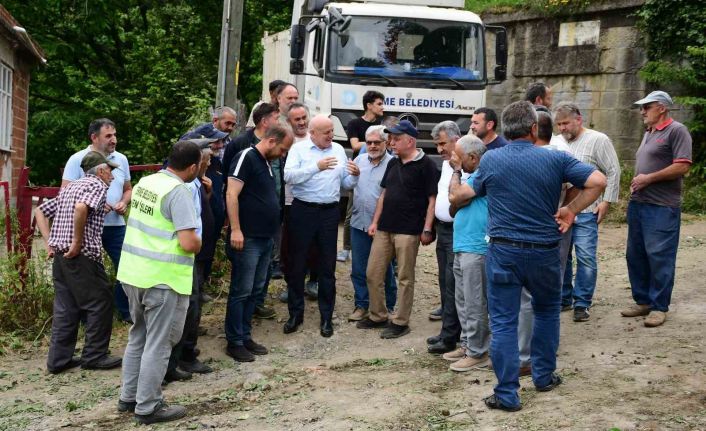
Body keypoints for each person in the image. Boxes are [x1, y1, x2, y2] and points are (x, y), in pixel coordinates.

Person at [464, 101, 606, 412]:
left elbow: (474, 191)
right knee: (546, 313)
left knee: (503, 322)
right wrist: (571, 210)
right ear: (533, 129)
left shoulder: (492, 159)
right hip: (544, 252)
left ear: (505, 130)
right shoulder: (556, 158)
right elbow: (598, 181)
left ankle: (507, 394)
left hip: (503, 251)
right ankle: (543, 377)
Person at [117, 141, 202, 425]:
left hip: (133, 274)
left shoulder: (146, 182)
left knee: (138, 336)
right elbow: (188, 242)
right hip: (162, 279)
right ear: (193, 167)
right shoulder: (178, 192)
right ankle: (148, 406)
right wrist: (199, 242)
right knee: (159, 343)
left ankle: (129, 397)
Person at [36, 151, 123, 374]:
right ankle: (94, 356)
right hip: (81, 256)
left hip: (60, 257)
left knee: (66, 307)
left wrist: (49, 243)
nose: (112, 176)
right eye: (110, 171)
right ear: (100, 170)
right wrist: (76, 242)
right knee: (100, 301)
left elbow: (40, 211)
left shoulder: (71, 187)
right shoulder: (97, 185)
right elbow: (81, 208)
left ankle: (58, 360)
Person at [357, 120, 439, 339]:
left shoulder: (427, 165)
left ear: (410, 141)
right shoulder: (393, 163)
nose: (391, 142)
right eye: (390, 138)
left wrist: (427, 228)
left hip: (409, 231)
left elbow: (432, 199)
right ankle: (378, 315)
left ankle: (401, 321)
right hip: (384, 227)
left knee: (404, 277)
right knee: (373, 273)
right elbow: (383, 194)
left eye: (396, 138)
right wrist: (375, 222)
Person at [283, 115, 360, 337]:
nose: (330, 135)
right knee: (297, 264)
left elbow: (344, 182)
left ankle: (326, 317)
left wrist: (355, 177)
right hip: (303, 210)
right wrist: (316, 167)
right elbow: (288, 177)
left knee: (327, 266)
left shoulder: (338, 150)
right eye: (326, 132)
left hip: (329, 213)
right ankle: (295, 314)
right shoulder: (299, 149)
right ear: (312, 133)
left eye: (332, 131)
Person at [622, 91, 692, 327]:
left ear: (662, 108)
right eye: (642, 107)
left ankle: (659, 307)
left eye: (647, 107)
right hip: (639, 203)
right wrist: (639, 183)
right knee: (636, 255)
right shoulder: (649, 132)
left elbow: (682, 166)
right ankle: (643, 301)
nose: (642, 111)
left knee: (660, 256)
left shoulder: (677, 130)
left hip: (662, 206)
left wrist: (648, 178)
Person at [225, 124, 294, 361]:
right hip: (248, 238)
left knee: (255, 290)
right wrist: (236, 229)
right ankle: (234, 341)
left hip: (265, 238)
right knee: (241, 290)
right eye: (282, 150)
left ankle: (245, 335)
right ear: (272, 141)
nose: (283, 155)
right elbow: (231, 193)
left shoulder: (266, 162)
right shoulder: (247, 156)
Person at [552, 102, 621, 321]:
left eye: (565, 123)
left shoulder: (598, 140)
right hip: (561, 210)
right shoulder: (556, 143)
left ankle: (582, 303)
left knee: (585, 256)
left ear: (578, 119)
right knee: (562, 257)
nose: (562, 128)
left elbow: (613, 170)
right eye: (559, 124)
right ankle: (564, 298)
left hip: (587, 210)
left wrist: (607, 201)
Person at [62, 119, 132, 322]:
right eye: (108, 136)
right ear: (94, 137)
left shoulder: (121, 159)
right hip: (87, 227)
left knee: (128, 265)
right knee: (87, 271)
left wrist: (123, 202)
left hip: (115, 225)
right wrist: (97, 205)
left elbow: (128, 189)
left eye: (115, 135)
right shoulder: (77, 159)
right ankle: (88, 316)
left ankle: (124, 310)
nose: (114, 140)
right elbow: (65, 193)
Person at [163, 137, 220, 383]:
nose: (209, 164)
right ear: (195, 164)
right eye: (206, 160)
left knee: (192, 305)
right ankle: (179, 358)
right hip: (187, 254)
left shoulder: (196, 183)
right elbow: (187, 227)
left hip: (198, 253)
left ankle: (185, 352)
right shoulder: (183, 187)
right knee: (188, 306)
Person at [446, 135, 489, 372]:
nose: (454, 160)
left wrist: (455, 173)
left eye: (458, 157)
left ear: (473, 157)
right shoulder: (470, 178)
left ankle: (478, 351)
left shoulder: (483, 175)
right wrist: (457, 197)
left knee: (474, 302)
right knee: (462, 300)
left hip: (476, 246)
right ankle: (467, 345)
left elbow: (454, 198)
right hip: (462, 244)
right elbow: (453, 207)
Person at [348, 125, 397, 321]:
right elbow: (347, 185)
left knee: (385, 268)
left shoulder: (394, 164)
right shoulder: (359, 161)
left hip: (383, 226)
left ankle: (389, 305)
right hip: (359, 222)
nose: (373, 146)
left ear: (386, 143)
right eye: (369, 142)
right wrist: (352, 176)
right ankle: (362, 305)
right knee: (358, 268)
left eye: (377, 142)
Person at [427, 121, 462, 354]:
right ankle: (448, 331)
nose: (439, 149)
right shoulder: (447, 164)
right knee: (444, 280)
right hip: (443, 230)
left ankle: (450, 337)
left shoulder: (464, 164)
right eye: (437, 145)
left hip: (457, 231)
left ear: (456, 140)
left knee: (452, 283)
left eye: (442, 144)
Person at [279, 103, 320, 303]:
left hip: (315, 201)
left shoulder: (317, 138)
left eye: (304, 117)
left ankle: (314, 281)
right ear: (289, 121)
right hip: (291, 201)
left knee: (315, 244)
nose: (302, 122)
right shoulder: (286, 141)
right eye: (297, 119)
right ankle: (292, 284)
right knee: (291, 245)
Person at [338, 90, 385, 262]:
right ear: (369, 105)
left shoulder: (382, 124)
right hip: (359, 171)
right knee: (352, 210)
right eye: (379, 104)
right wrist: (376, 140)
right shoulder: (355, 123)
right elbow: (355, 145)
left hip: (379, 169)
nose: (382, 107)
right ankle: (346, 248)